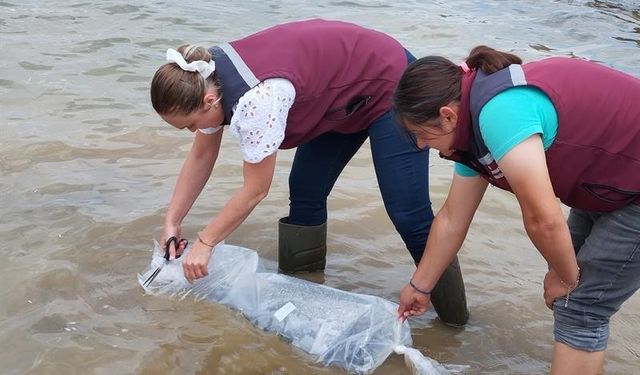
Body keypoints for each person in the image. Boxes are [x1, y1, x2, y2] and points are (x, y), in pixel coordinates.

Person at [149, 19, 469, 325]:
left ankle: (455, 324)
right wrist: (172, 221)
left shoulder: (256, 100)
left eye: (190, 125)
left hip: (387, 80)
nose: (193, 132)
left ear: (208, 100)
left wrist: (205, 243)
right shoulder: (202, 78)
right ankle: (301, 297)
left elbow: (255, 190)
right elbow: (202, 155)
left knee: (407, 214)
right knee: (305, 190)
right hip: (341, 96)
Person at [392, 45, 640, 374]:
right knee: (572, 301)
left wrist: (565, 277)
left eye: (418, 136)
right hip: (607, 180)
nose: (421, 147)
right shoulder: (472, 128)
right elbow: (452, 218)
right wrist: (419, 286)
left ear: (447, 116)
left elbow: (544, 219)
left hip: (628, 183)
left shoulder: (499, 113)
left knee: (581, 307)